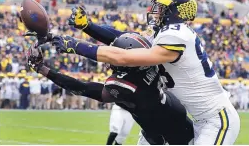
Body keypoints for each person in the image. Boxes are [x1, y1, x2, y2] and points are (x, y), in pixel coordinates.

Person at [52, 0, 240, 144]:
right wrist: (87, 27)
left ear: (172, 10)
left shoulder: (177, 34)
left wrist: (76, 46)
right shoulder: (167, 33)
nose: (153, 10)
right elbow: (124, 39)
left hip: (216, 118)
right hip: (198, 120)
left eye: (160, 6)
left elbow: (123, 57)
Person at [27, 34, 193, 145]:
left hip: (167, 133)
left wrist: (42, 69)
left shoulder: (124, 86)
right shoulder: (150, 62)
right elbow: (118, 43)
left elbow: (82, 88)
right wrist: (57, 37)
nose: (111, 57)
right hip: (174, 118)